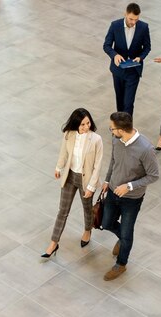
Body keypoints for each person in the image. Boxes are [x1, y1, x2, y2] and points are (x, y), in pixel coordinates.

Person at [101, 112, 159, 280]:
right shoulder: (116, 140)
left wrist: (129, 186)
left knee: (127, 233)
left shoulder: (146, 149)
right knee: (106, 223)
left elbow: (153, 175)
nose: (111, 132)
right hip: (112, 191)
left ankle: (121, 264)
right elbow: (113, 161)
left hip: (132, 199)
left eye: (112, 129)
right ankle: (122, 239)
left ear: (121, 129)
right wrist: (107, 180)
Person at [42, 108, 104, 258]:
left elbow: (98, 165)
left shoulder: (96, 139)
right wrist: (58, 167)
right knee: (62, 211)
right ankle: (53, 243)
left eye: (88, 123)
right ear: (76, 124)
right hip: (70, 177)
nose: (86, 126)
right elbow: (64, 153)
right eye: (82, 124)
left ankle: (87, 230)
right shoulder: (68, 135)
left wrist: (91, 186)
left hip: (86, 180)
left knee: (87, 208)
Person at [103, 3, 151, 117]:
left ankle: (127, 131)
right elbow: (107, 45)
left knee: (128, 103)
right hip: (118, 69)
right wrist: (114, 55)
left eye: (136, 19)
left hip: (133, 71)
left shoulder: (143, 27)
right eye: (131, 19)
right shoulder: (115, 25)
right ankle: (120, 127)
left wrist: (140, 57)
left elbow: (147, 47)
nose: (133, 22)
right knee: (120, 101)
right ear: (125, 14)